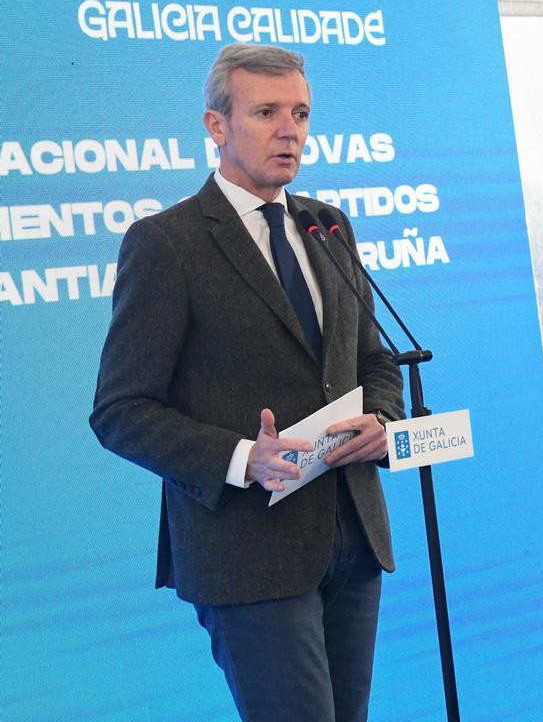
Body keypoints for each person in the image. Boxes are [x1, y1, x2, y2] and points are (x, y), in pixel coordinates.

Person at [90, 43, 405, 721]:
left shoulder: (328, 226)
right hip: (247, 552)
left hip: (352, 534)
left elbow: (373, 360)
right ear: (217, 126)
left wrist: (382, 420)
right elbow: (120, 410)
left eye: (301, 114)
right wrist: (243, 459)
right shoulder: (166, 243)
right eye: (266, 113)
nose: (289, 131)